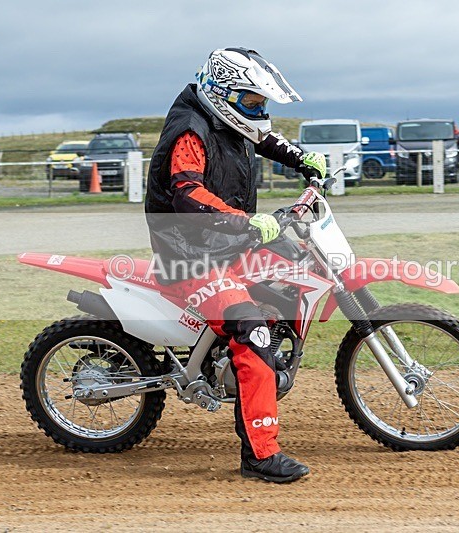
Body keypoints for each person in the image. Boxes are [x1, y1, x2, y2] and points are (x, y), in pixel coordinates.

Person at [145, 48, 326, 483]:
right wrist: (245, 222)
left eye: (261, 103)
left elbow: (260, 137)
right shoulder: (190, 132)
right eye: (252, 102)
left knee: (294, 271)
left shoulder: (226, 117)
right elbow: (187, 194)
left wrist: (302, 158)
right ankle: (259, 455)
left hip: (227, 243)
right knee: (253, 328)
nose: (259, 111)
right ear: (220, 93)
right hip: (190, 257)